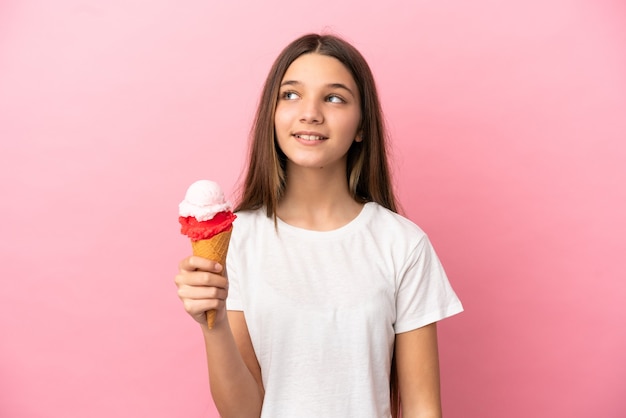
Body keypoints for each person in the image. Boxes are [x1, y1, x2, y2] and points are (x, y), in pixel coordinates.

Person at [175, 33, 463, 418]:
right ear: (272, 115)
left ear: (362, 126)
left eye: (334, 97)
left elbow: (423, 409)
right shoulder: (238, 239)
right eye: (291, 95)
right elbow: (244, 412)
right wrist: (213, 324)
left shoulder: (402, 244)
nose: (309, 112)